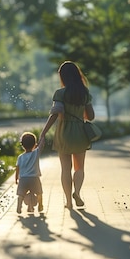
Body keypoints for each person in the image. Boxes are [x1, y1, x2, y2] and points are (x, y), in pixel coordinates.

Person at [38, 61, 95, 209]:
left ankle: (69, 202)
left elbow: (55, 115)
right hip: (80, 133)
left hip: (64, 133)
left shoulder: (60, 93)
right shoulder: (85, 93)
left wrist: (43, 133)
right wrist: (79, 111)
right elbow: (91, 116)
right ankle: (77, 192)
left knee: (65, 169)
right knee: (79, 168)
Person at [15, 132, 44, 214]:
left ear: (22, 145)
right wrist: (42, 137)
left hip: (23, 179)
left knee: (21, 194)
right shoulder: (36, 153)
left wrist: (16, 178)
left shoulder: (20, 157)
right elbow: (42, 145)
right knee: (39, 192)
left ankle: (19, 205)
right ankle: (40, 205)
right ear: (35, 144)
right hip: (34, 178)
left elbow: (17, 168)